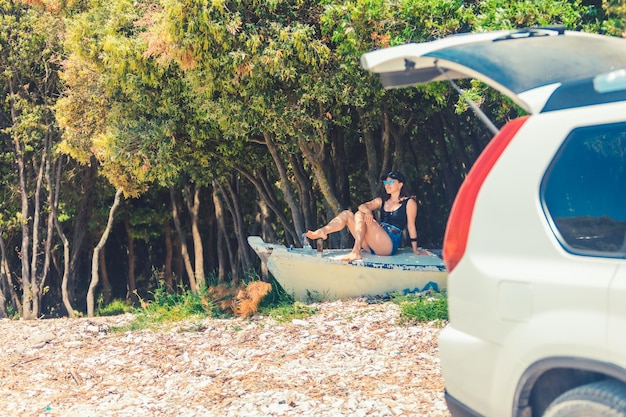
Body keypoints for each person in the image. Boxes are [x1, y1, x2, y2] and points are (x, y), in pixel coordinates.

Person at [306, 171, 428, 262]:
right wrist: (369, 212)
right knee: (347, 214)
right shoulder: (382, 200)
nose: (387, 185)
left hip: (388, 243)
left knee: (360, 214)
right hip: (373, 243)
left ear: (400, 184)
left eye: (391, 182)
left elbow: (411, 226)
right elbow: (362, 206)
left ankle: (356, 251)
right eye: (385, 182)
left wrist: (415, 250)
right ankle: (323, 231)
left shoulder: (409, 202)